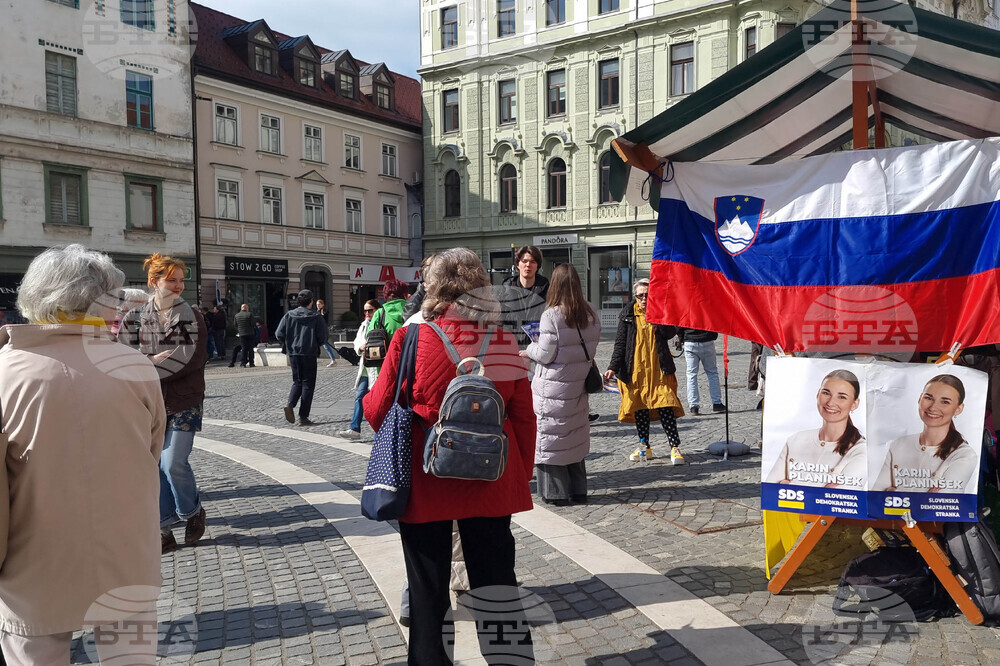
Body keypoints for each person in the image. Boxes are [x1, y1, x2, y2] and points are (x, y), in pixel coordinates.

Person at [363, 247, 535, 664]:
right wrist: (519, 473)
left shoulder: (411, 337)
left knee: (427, 594)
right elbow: (523, 417)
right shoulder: (503, 341)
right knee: (497, 588)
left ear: (433, 286)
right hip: (491, 478)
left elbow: (377, 410)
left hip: (427, 482)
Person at [0, 245, 165, 664]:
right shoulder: (135, 366)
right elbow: (151, 451)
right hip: (125, 551)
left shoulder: (6, 371)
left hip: (33, 559)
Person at [119, 252, 209, 554]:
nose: (179, 285)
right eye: (172, 280)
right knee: (153, 465)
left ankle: (193, 511)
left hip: (184, 400)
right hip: (147, 401)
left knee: (173, 463)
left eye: (181, 280)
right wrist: (150, 361)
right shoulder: (134, 317)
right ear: (154, 281)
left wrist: (147, 365)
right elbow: (122, 357)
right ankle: (164, 529)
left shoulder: (192, 315)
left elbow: (192, 358)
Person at [521, 263, 600, 505]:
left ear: (554, 285)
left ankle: (556, 493)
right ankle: (578, 490)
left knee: (550, 437)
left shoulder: (551, 315)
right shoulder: (591, 312)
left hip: (552, 388)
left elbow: (545, 354)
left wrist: (529, 349)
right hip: (578, 383)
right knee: (575, 435)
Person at [604, 279, 686, 464]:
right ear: (635, 296)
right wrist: (613, 367)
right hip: (636, 371)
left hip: (659, 370)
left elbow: (669, 333)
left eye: (647, 296)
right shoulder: (627, 315)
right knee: (640, 409)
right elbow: (620, 344)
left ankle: (675, 447)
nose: (643, 299)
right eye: (640, 295)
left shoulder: (659, 312)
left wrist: (658, 315)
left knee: (665, 405)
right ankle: (644, 447)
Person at [874, 374, 978, 492]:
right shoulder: (898, 444)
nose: (933, 407)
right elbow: (877, 496)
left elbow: (941, 501)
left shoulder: (963, 455)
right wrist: (925, 496)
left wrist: (894, 493)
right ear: (920, 399)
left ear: (958, 409)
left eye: (945, 402)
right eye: (928, 398)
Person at [764, 369, 867, 489]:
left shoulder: (861, 450)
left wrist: (789, 485)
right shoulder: (796, 439)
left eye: (842, 397)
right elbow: (771, 490)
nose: (831, 402)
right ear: (818, 394)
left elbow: (841, 495)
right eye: (826, 393)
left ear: (854, 404)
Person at [275, 289, 329, 427]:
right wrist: (315, 343)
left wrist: (289, 344)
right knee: (308, 385)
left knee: (297, 381)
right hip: (309, 352)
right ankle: (303, 417)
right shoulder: (316, 317)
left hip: (294, 353)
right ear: (311, 301)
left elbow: (279, 334)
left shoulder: (289, 315)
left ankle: (290, 404)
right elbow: (323, 337)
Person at [339, 299, 379, 439]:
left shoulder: (381, 322)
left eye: (370, 310)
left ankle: (379, 432)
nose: (367, 313)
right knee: (359, 397)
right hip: (366, 367)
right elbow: (357, 341)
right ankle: (355, 429)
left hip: (378, 367)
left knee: (378, 401)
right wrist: (360, 348)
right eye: (365, 311)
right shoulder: (364, 325)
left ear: (377, 310)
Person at [500, 245, 549, 347]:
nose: (528, 265)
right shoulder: (505, 290)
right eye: (524, 261)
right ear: (518, 264)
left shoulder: (547, 290)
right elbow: (500, 323)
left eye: (532, 262)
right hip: (512, 349)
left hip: (538, 350)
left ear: (537, 266)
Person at [677, 328, 727, 415]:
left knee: (691, 374)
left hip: (690, 340)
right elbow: (713, 322)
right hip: (706, 339)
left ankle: (693, 406)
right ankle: (717, 403)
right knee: (712, 372)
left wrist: (681, 338)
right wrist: (713, 335)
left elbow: (679, 325)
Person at [316, 298, 338, 368]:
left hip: (323, 330)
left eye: (319, 304)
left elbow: (323, 319)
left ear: (322, 304)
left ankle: (333, 359)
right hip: (318, 330)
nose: (317, 306)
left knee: (325, 345)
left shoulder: (324, 311)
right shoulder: (317, 311)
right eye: (317, 304)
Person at [231, 303, 255, 368]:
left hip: (241, 334)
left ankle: (243, 363)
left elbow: (235, 325)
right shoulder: (249, 314)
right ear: (246, 308)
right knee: (250, 349)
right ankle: (251, 363)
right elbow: (253, 324)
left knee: (244, 348)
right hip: (250, 333)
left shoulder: (236, 315)